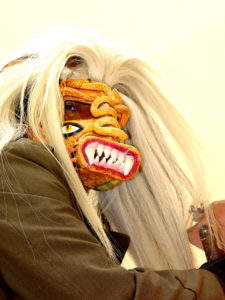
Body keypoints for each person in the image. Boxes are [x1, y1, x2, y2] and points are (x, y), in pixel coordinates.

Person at [0, 28, 224, 299]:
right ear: (37, 117)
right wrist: (218, 280)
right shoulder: (15, 163)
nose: (105, 128)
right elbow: (101, 292)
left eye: (115, 119)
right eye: (72, 108)